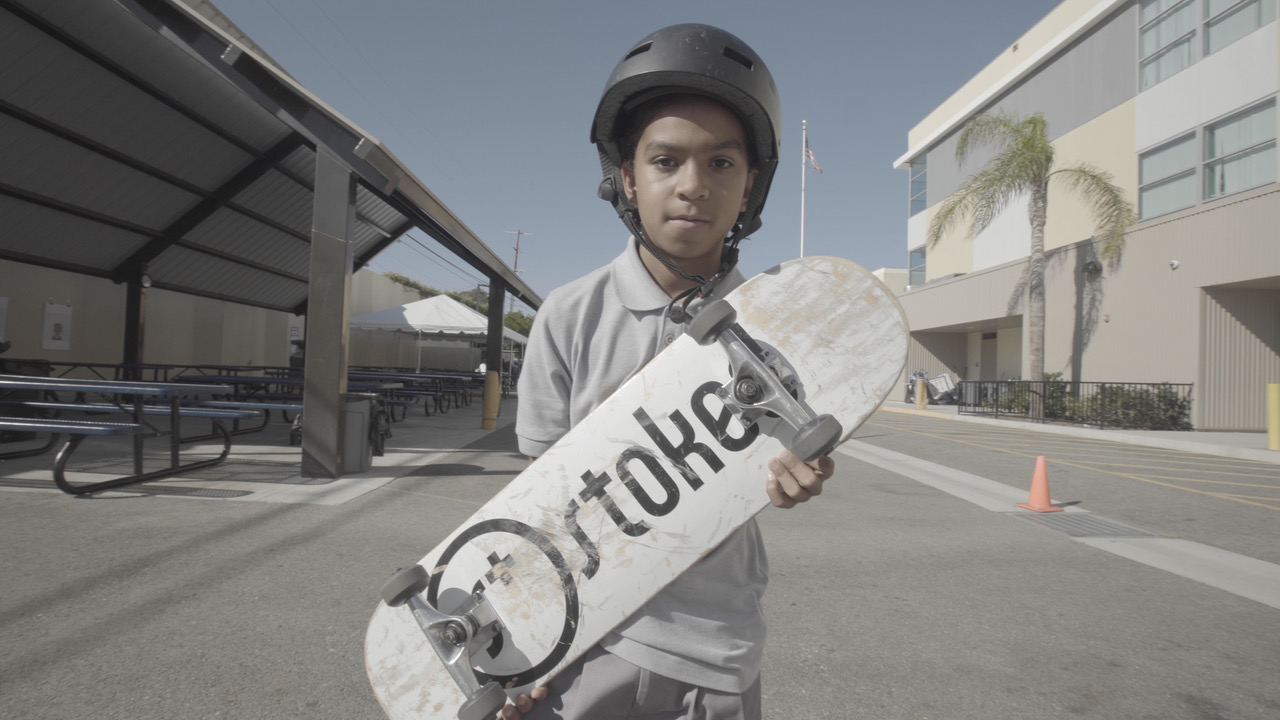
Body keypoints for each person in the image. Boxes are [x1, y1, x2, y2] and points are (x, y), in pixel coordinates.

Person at [508, 24, 832, 720]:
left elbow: (773, 467)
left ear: (750, 187)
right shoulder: (568, 316)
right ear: (626, 176)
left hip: (722, 647)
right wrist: (525, 645)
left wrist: (796, 476)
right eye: (665, 160)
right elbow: (533, 507)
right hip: (591, 646)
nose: (693, 186)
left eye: (721, 164)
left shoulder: (778, 326)